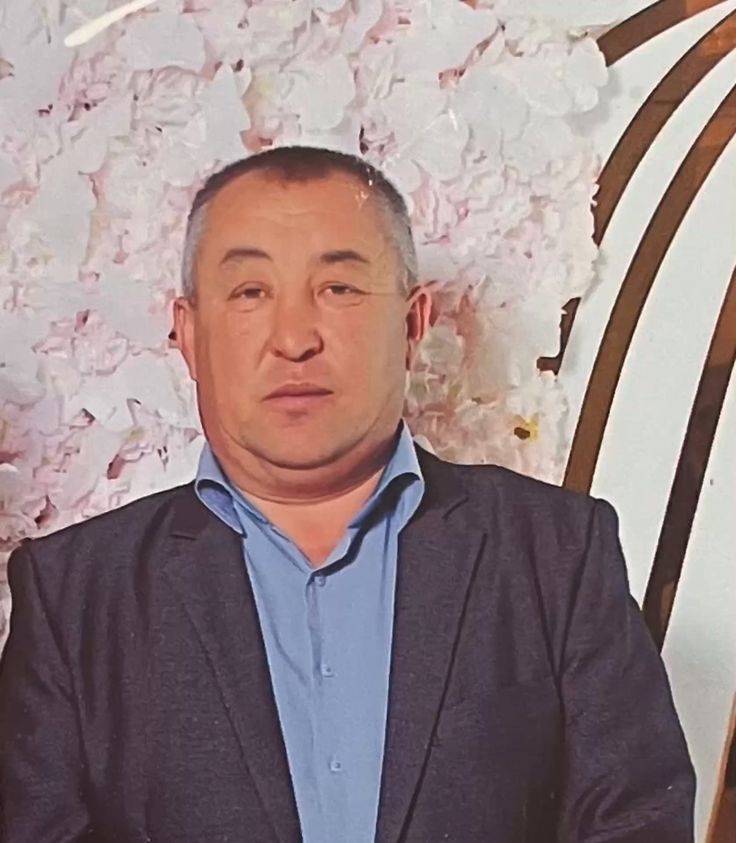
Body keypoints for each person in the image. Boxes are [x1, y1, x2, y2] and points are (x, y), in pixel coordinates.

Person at [0, 146, 695, 843]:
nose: (294, 339)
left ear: (413, 325)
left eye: (339, 289)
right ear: (188, 334)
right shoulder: (74, 595)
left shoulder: (555, 554)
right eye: (250, 292)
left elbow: (635, 823)